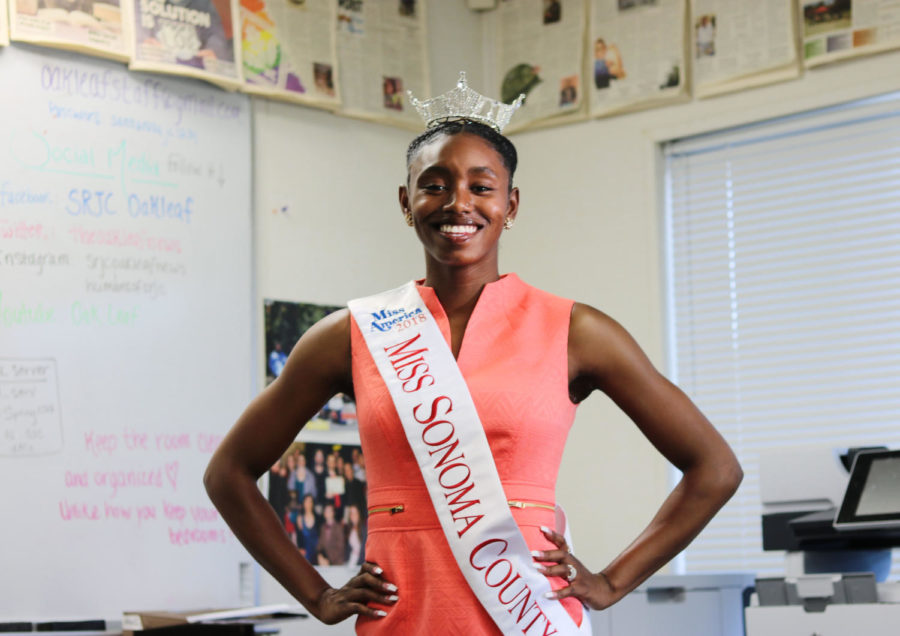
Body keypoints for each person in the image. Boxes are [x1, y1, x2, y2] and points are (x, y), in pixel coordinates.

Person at [204, 76, 742, 633]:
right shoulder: (353, 333)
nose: (457, 202)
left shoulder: (576, 331)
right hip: (401, 620)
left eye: (480, 187)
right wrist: (316, 596)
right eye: (434, 185)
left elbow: (715, 469)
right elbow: (229, 473)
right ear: (406, 203)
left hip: (527, 616)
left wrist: (610, 583)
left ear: (510, 204)